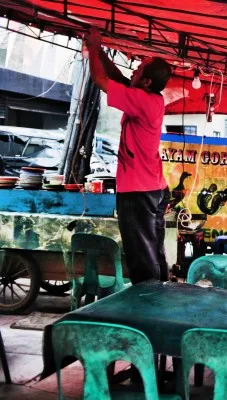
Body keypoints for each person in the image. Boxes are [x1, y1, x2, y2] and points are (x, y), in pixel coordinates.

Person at [85, 28, 172, 284]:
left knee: (141, 258)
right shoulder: (148, 98)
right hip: (153, 188)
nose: (133, 70)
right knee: (153, 253)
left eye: (139, 69)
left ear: (146, 82)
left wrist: (92, 51)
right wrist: (99, 48)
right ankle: (160, 297)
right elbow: (115, 77)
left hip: (138, 191)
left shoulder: (143, 101)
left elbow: (100, 80)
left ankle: (146, 309)